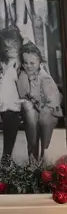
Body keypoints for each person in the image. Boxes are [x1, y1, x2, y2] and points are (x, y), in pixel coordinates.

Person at [17, 42, 63, 162]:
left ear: (40, 64)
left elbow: (53, 99)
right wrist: (25, 78)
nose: (29, 66)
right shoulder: (23, 76)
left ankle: (43, 151)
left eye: (32, 63)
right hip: (31, 111)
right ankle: (32, 154)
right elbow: (22, 93)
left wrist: (44, 109)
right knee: (29, 111)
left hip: (47, 110)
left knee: (44, 118)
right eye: (25, 63)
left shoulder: (45, 78)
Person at [0, 27, 22, 160]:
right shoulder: (3, 63)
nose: (10, 48)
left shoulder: (22, 62)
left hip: (12, 104)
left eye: (14, 44)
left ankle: (6, 158)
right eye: (7, 45)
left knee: (11, 117)